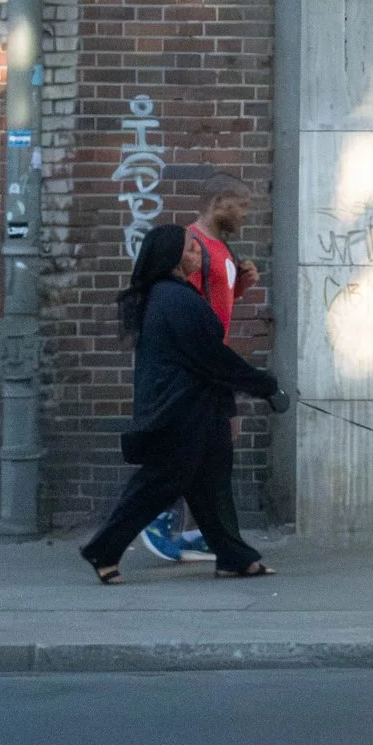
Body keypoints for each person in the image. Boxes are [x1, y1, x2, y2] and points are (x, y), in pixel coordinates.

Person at [80, 223, 286, 584]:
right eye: (191, 248)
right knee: (158, 485)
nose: (198, 252)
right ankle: (103, 549)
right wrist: (265, 386)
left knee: (210, 487)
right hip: (181, 413)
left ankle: (233, 557)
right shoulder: (174, 299)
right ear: (172, 257)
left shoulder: (172, 296)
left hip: (197, 410)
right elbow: (213, 357)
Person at [138, 179, 263, 563]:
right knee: (195, 445)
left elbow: (212, 302)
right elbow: (182, 306)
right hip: (198, 365)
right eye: (242, 205)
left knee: (218, 443)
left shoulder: (222, 248)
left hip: (212, 361)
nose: (246, 214)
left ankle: (200, 532)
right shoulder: (192, 248)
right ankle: (158, 519)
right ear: (219, 201)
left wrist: (240, 285)